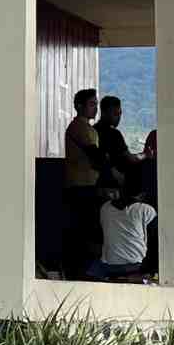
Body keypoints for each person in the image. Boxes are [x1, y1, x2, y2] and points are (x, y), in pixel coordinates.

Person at [62, 89, 107, 280]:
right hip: (80, 186)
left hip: (88, 185)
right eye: (91, 104)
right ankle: (81, 272)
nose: (95, 108)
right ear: (79, 106)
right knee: (84, 231)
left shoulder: (88, 129)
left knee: (88, 230)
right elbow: (94, 154)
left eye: (96, 104)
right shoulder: (79, 127)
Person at [88, 188, 157, 282]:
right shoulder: (146, 209)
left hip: (109, 265)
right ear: (142, 195)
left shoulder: (105, 208)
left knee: (92, 271)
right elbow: (156, 240)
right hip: (136, 264)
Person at [95, 96, 139, 195]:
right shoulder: (114, 134)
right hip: (113, 185)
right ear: (104, 113)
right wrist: (145, 155)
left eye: (120, 113)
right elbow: (131, 158)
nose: (119, 117)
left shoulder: (93, 130)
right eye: (115, 114)